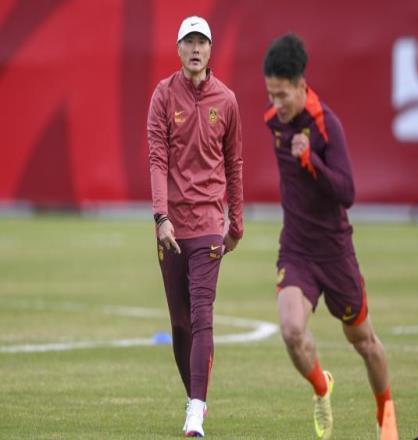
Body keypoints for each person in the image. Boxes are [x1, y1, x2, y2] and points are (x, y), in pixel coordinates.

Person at [262, 34, 398, 439]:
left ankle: (386, 416)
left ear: (302, 86)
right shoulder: (274, 123)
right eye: (271, 94)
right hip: (296, 249)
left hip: (335, 252)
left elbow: (347, 192)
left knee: (363, 340)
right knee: (291, 331)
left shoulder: (326, 125)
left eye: (283, 95)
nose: (277, 104)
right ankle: (322, 387)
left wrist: (311, 161)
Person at [147, 16, 243, 438]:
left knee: (203, 316)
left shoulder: (227, 100)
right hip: (171, 228)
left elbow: (234, 164)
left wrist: (236, 222)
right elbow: (157, 158)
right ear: (179, 49)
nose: (195, 49)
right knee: (180, 324)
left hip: (208, 224)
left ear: (210, 49)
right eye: (189, 42)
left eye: (202, 42)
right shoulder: (163, 95)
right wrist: (161, 216)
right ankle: (195, 399)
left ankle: (196, 411)